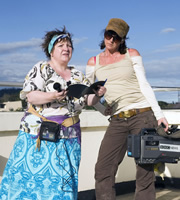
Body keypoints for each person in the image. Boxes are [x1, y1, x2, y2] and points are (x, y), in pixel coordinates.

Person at [0, 26, 106, 200]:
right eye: (61, 45)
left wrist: (97, 94)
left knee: (63, 184)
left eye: (69, 45)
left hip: (69, 137)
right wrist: (52, 95)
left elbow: (88, 102)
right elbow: (31, 96)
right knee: (29, 182)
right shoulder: (41, 68)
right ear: (51, 51)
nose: (66, 48)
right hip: (38, 135)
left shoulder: (78, 75)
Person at [86, 18, 169, 200]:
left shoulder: (132, 54)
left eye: (117, 37)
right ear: (104, 34)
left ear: (123, 39)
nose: (111, 40)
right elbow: (89, 95)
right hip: (117, 118)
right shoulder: (93, 62)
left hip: (143, 114)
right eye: (109, 35)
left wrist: (159, 114)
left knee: (144, 168)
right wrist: (102, 109)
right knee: (103, 168)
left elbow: (144, 85)